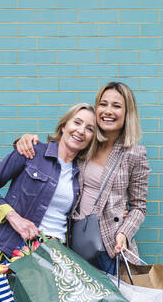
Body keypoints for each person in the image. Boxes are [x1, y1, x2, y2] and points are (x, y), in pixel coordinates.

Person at [15, 82, 150, 274]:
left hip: (110, 246)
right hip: (73, 243)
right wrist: (26, 140)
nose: (108, 111)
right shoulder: (85, 143)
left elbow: (138, 207)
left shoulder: (134, 154)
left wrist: (124, 234)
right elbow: (55, 153)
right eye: (103, 104)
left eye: (117, 106)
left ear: (128, 113)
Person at [0, 103, 97, 264]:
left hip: (58, 258)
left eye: (89, 129)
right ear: (64, 126)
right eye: (77, 122)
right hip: (19, 252)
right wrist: (14, 218)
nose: (81, 131)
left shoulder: (80, 173)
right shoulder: (32, 152)